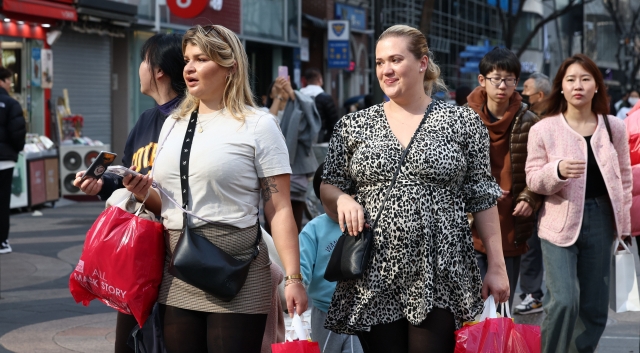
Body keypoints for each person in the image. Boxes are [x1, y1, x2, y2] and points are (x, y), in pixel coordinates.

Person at [319, 24, 509, 353]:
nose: (386, 70)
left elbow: (482, 197)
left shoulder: (462, 122)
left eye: (395, 59)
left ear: (422, 63)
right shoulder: (353, 125)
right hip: (374, 273)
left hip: (441, 271)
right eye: (379, 62)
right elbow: (328, 186)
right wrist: (343, 198)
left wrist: (496, 266)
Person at [122, 25, 308, 353]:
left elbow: (278, 208)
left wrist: (293, 278)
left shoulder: (259, 125)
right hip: (179, 264)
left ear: (230, 65)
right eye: (187, 60)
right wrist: (141, 191)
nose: (189, 68)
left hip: (238, 267)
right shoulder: (173, 124)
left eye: (201, 59)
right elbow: (167, 204)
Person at [71, 33, 186, 353]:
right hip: (137, 247)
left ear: (159, 70)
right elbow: (127, 174)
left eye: (143, 61)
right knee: (130, 340)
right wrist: (100, 184)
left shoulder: (188, 119)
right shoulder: (146, 118)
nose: (139, 68)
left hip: (175, 249)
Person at [526, 53, 632, 353]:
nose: (578, 86)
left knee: (595, 306)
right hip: (558, 220)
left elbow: (624, 177)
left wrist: (622, 225)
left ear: (597, 86)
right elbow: (533, 178)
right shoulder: (543, 129)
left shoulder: (614, 127)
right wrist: (556, 171)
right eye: (571, 79)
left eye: (586, 79)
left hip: (601, 218)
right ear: (561, 87)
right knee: (563, 300)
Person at [466, 47, 541, 310]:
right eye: (495, 78)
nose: (502, 85)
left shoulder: (530, 121)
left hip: (512, 220)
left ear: (516, 82)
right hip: (470, 220)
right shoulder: (463, 118)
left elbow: (540, 167)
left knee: (501, 304)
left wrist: (530, 197)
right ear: (482, 80)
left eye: (509, 79)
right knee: (470, 304)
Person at [299, 163, 363, 353]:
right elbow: (302, 264)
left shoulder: (364, 224)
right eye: (331, 203)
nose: (339, 208)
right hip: (325, 311)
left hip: (361, 310)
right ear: (321, 199)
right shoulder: (314, 230)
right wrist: (297, 284)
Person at [266, 76, 321, 233]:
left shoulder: (299, 112)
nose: (282, 90)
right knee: (273, 217)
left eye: (286, 88)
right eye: (277, 88)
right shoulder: (264, 114)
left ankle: (292, 253)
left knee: (294, 218)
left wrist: (292, 93)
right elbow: (269, 122)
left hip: (296, 171)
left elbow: (311, 117)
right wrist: (277, 96)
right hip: (272, 170)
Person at [516, 71, 552, 315]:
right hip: (529, 193)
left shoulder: (552, 120)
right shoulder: (525, 117)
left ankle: (536, 295)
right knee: (530, 247)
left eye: (525, 89)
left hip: (547, 198)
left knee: (536, 248)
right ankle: (532, 294)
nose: (521, 93)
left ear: (539, 95)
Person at [0, 67, 25, 254]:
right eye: (8, 81)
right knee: (2, 201)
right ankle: (2, 242)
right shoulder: (10, 104)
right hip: (4, 160)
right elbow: (17, 133)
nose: (10, 85)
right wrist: (15, 150)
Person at [300, 68, 339, 143]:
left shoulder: (300, 96)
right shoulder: (325, 98)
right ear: (320, 79)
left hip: (301, 137)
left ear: (306, 80)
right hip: (320, 138)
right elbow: (334, 122)